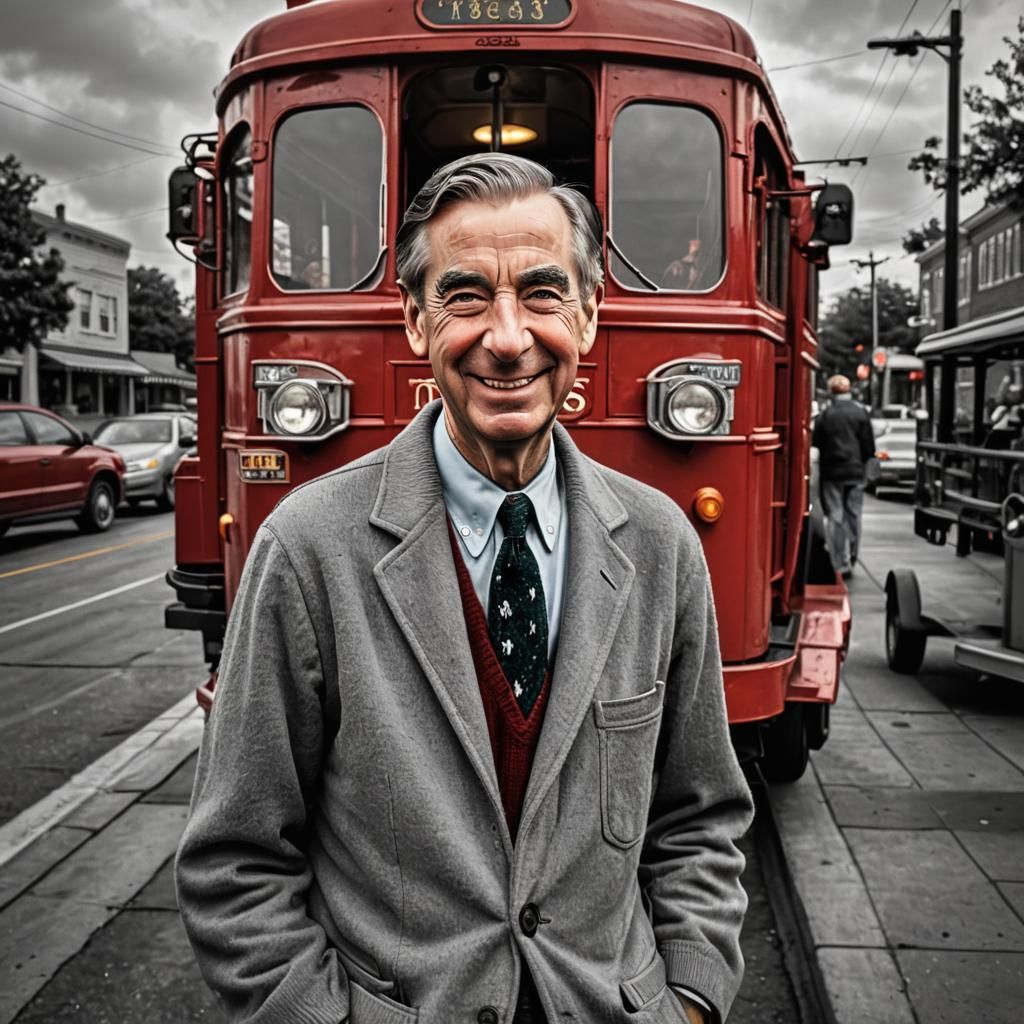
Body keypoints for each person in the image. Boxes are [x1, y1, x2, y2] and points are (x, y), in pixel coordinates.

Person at [176, 153, 753, 1024]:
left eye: (544, 293)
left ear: (590, 316)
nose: (509, 336)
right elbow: (234, 859)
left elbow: (700, 816)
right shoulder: (307, 548)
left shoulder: (664, 545)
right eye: (467, 296)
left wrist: (692, 998)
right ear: (416, 321)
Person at [812, 373, 876, 576]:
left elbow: (816, 443)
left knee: (836, 516)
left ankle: (841, 561)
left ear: (831, 392)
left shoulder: (826, 415)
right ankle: (853, 554)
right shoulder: (860, 413)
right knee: (854, 513)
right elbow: (869, 447)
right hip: (856, 472)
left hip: (832, 472)